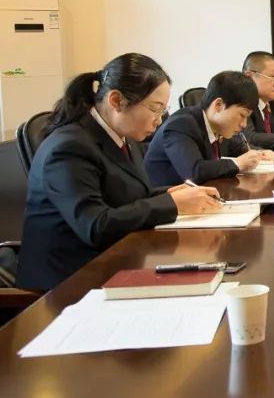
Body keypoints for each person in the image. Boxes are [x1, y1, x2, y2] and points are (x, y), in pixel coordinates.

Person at [16, 53, 221, 290]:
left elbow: (124, 195)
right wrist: (171, 204)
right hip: (67, 282)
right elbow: (95, 226)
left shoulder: (123, 136)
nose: (159, 120)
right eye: (155, 109)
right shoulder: (68, 147)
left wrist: (171, 194)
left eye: (164, 110)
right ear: (116, 101)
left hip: (115, 261)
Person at [144, 71, 274, 186]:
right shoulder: (181, 125)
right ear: (218, 105)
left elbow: (239, 148)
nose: (244, 124)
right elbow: (194, 172)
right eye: (242, 115)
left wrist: (260, 154)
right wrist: (238, 164)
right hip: (167, 200)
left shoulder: (218, 127)